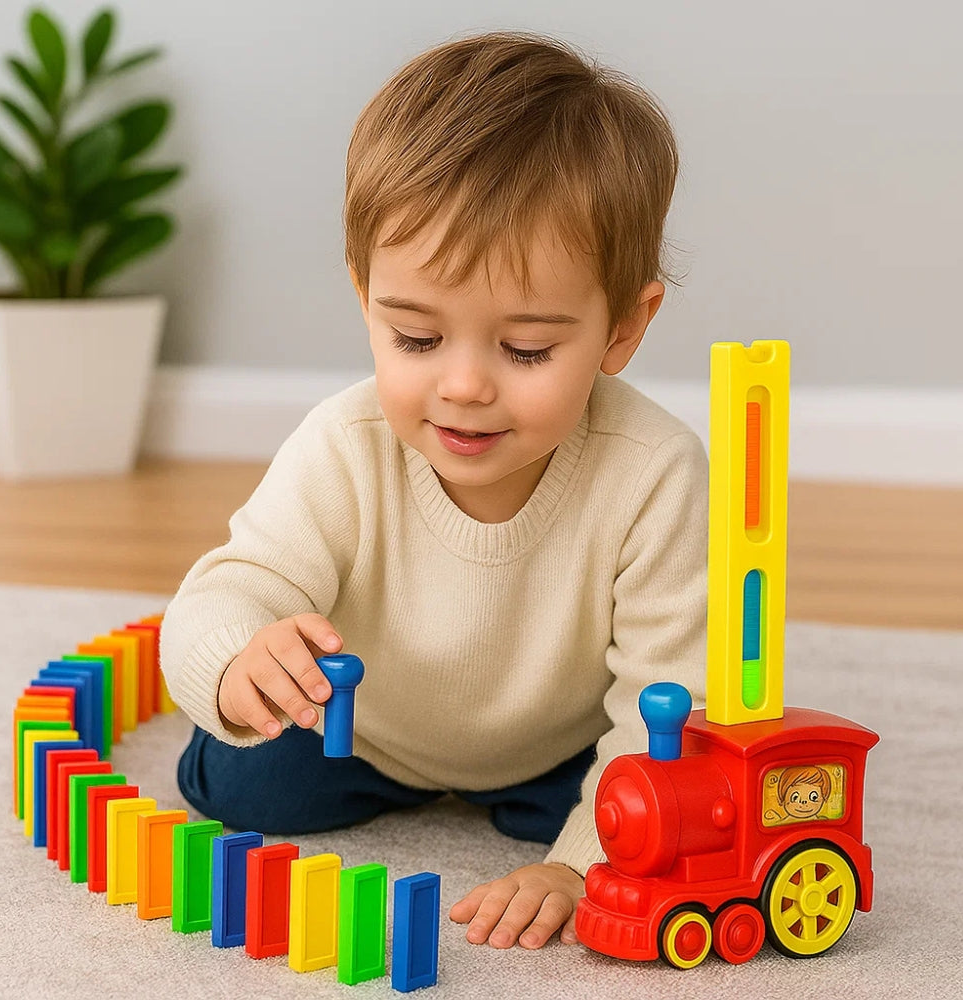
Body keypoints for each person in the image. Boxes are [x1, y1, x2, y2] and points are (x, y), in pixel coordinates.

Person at [160, 30, 708, 952]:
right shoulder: (348, 443)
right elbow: (230, 584)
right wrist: (239, 660)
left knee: (648, 818)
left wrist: (579, 866)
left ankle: (552, 820)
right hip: (364, 732)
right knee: (233, 786)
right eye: (415, 338)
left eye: (526, 349)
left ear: (623, 327)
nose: (463, 386)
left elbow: (673, 700)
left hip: (557, 749)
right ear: (365, 293)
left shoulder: (654, 470)